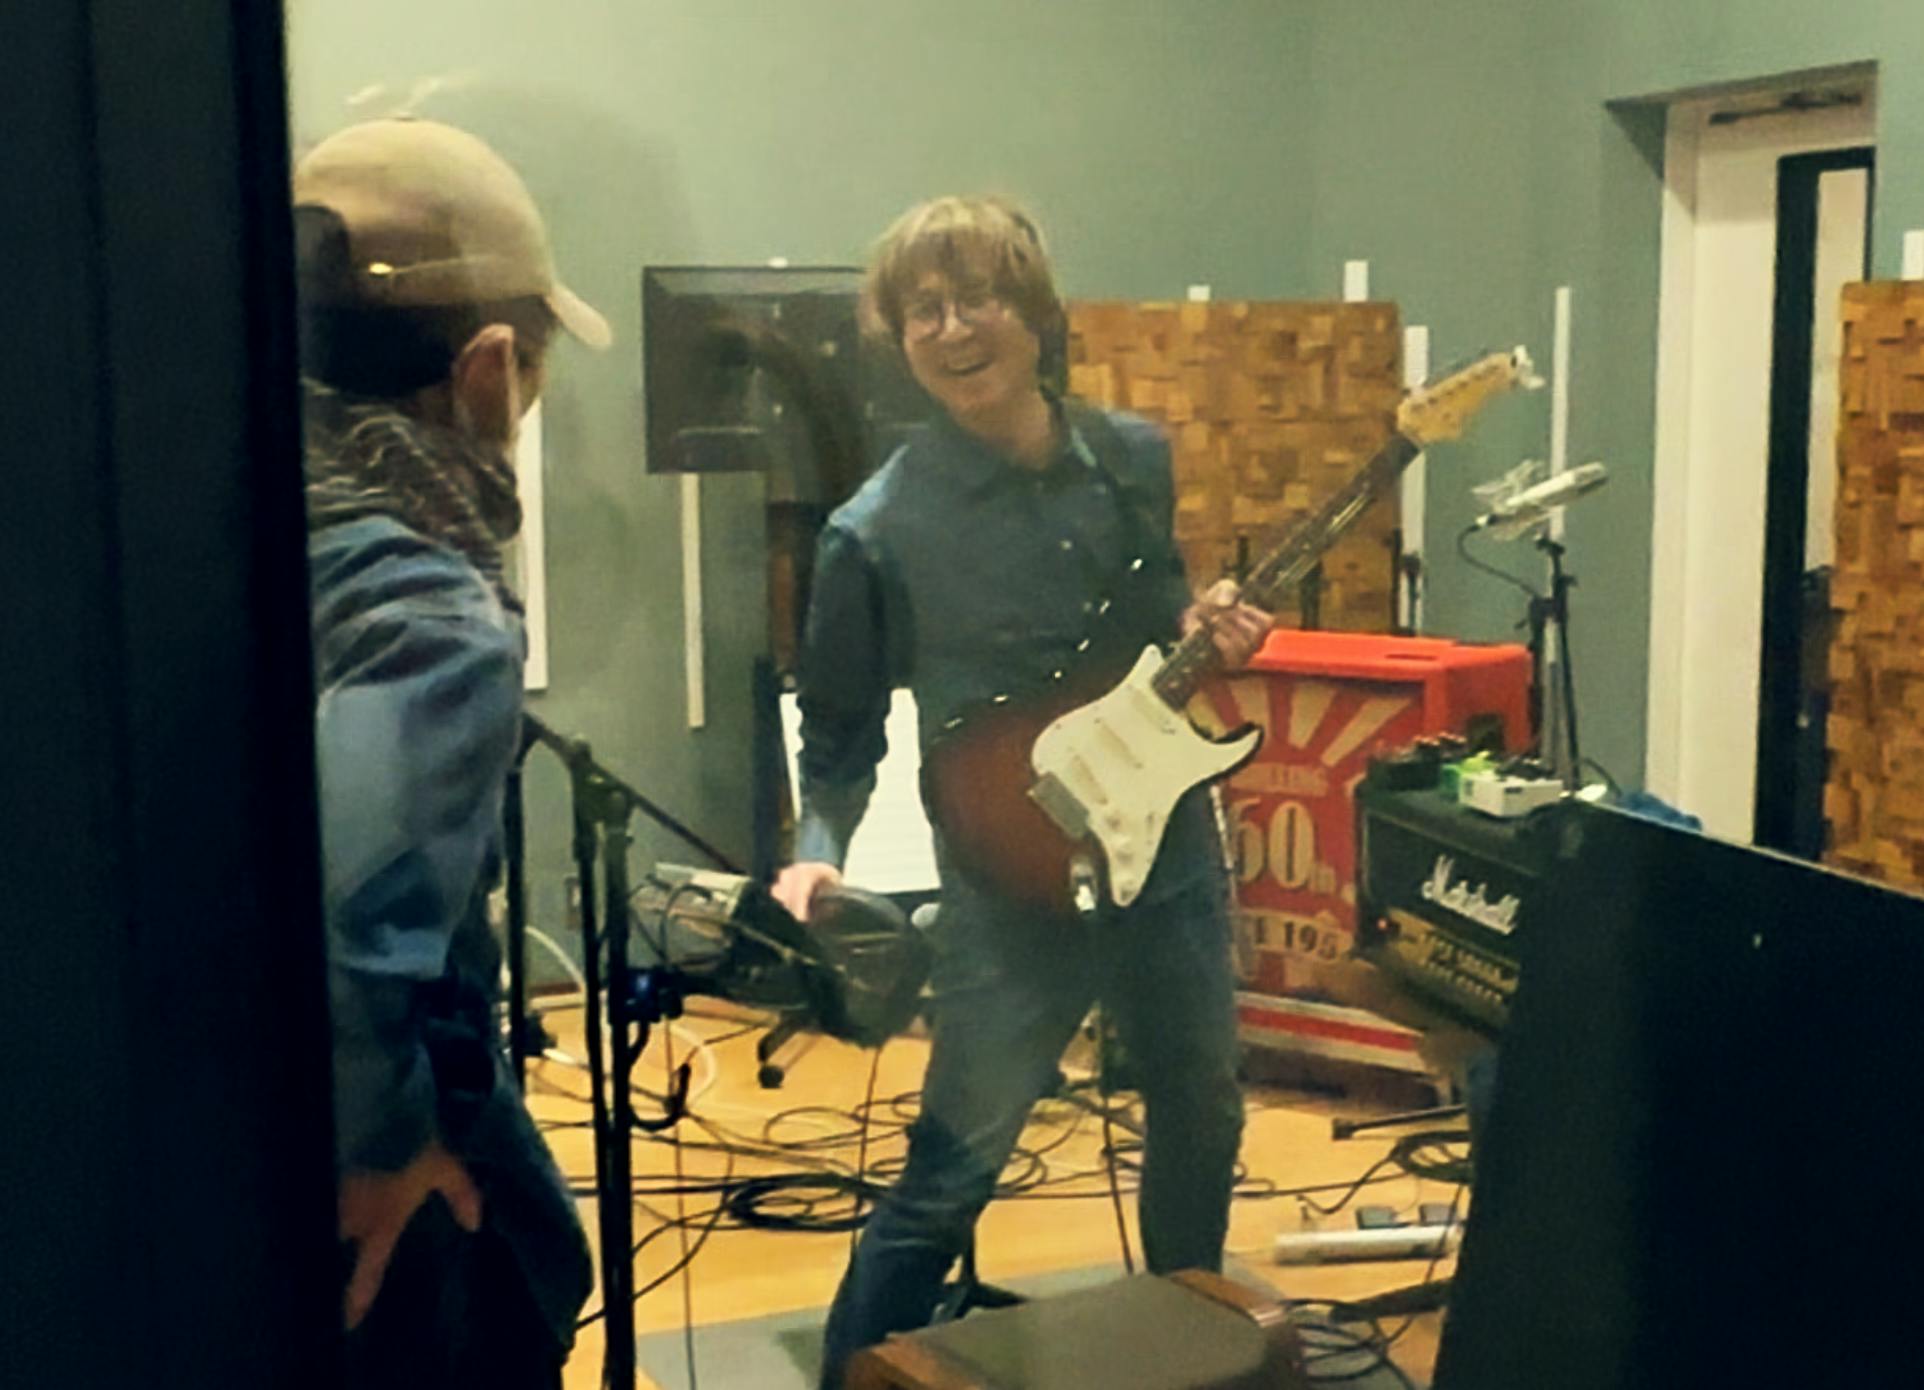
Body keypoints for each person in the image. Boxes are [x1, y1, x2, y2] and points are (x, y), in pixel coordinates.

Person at [772, 195, 1273, 1387]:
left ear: (1035, 311)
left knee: (1200, 1114)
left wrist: (1205, 630)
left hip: (1164, 848)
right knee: (952, 1174)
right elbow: (838, 730)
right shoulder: (874, 530)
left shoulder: (1133, 458)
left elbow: (1155, 623)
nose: (953, 330)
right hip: (1009, 884)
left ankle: (1183, 1352)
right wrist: (817, 843)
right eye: (924, 310)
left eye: (978, 298)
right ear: (899, 338)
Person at [293, 116, 611, 1389]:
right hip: (373, 1202)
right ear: (486, 372)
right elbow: (352, 923)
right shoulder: (429, 615)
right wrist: (382, 1142)